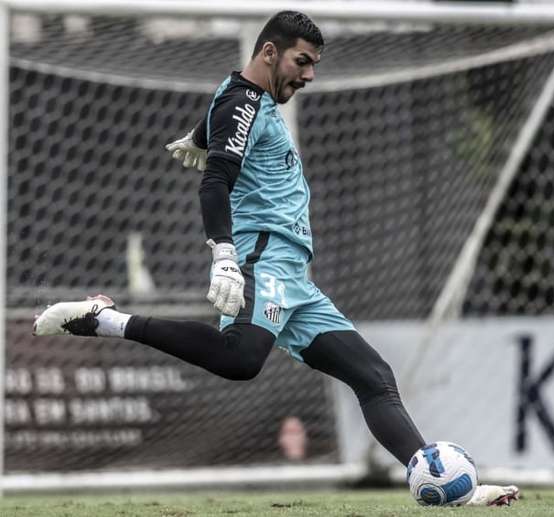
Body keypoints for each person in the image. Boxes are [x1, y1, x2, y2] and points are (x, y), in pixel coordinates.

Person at [33, 11, 518, 506]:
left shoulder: (246, 99)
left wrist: (201, 134)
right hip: (261, 260)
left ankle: (448, 486)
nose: (309, 75)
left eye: (313, 65)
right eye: (302, 61)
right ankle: (105, 320)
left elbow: (227, 104)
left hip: (294, 280)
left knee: (374, 378)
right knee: (241, 360)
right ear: (269, 52)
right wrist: (223, 252)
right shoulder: (244, 102)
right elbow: (214, 181)